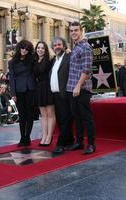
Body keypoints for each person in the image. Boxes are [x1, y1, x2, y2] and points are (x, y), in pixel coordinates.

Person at [66, 21, 96, 154]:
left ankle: (91, 144)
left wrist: (78, 86)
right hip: (72, 88)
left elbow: (86, 69)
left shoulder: (86, 48)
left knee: (86, 117)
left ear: (81, 31)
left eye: (76, 30)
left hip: (82, 89)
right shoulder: (76, 47)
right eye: (71, 30)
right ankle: (79, 142)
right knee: (76, 117)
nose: (73, 32)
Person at [8, 40, 36, 147]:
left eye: (27, 49)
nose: (24, 50)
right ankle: (22, 138)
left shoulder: (32, 59)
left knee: (30, 114)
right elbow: (11, 78)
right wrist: (13, 93)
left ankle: (27, 137)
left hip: (30, 89)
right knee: (22, 115)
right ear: (19, 48)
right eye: (23, 48)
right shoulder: (12, 62)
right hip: (19, 91)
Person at [50, 37, 74, 154]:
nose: (57, 47)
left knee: (64, 120)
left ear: (64, 46)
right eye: (55, 45)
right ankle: (69, 140)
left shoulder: (69, 57)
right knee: (60, 120)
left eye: (59, 44)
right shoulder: (54, 60)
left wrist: (70, 51)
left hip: (64, 94)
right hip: (55, 95)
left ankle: (60, 144)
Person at [34, 41, 55, 146]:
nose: (40, 50)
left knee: (50, 114)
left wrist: (67, 50)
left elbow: (60, 57)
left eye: (42, 48)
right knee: (43, 115)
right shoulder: (34, 60)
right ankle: (44, 135)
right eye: (38, 48)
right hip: (39, 89)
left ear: (45, 50)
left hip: (48, 87)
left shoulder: (50, 59)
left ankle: (49, 137)